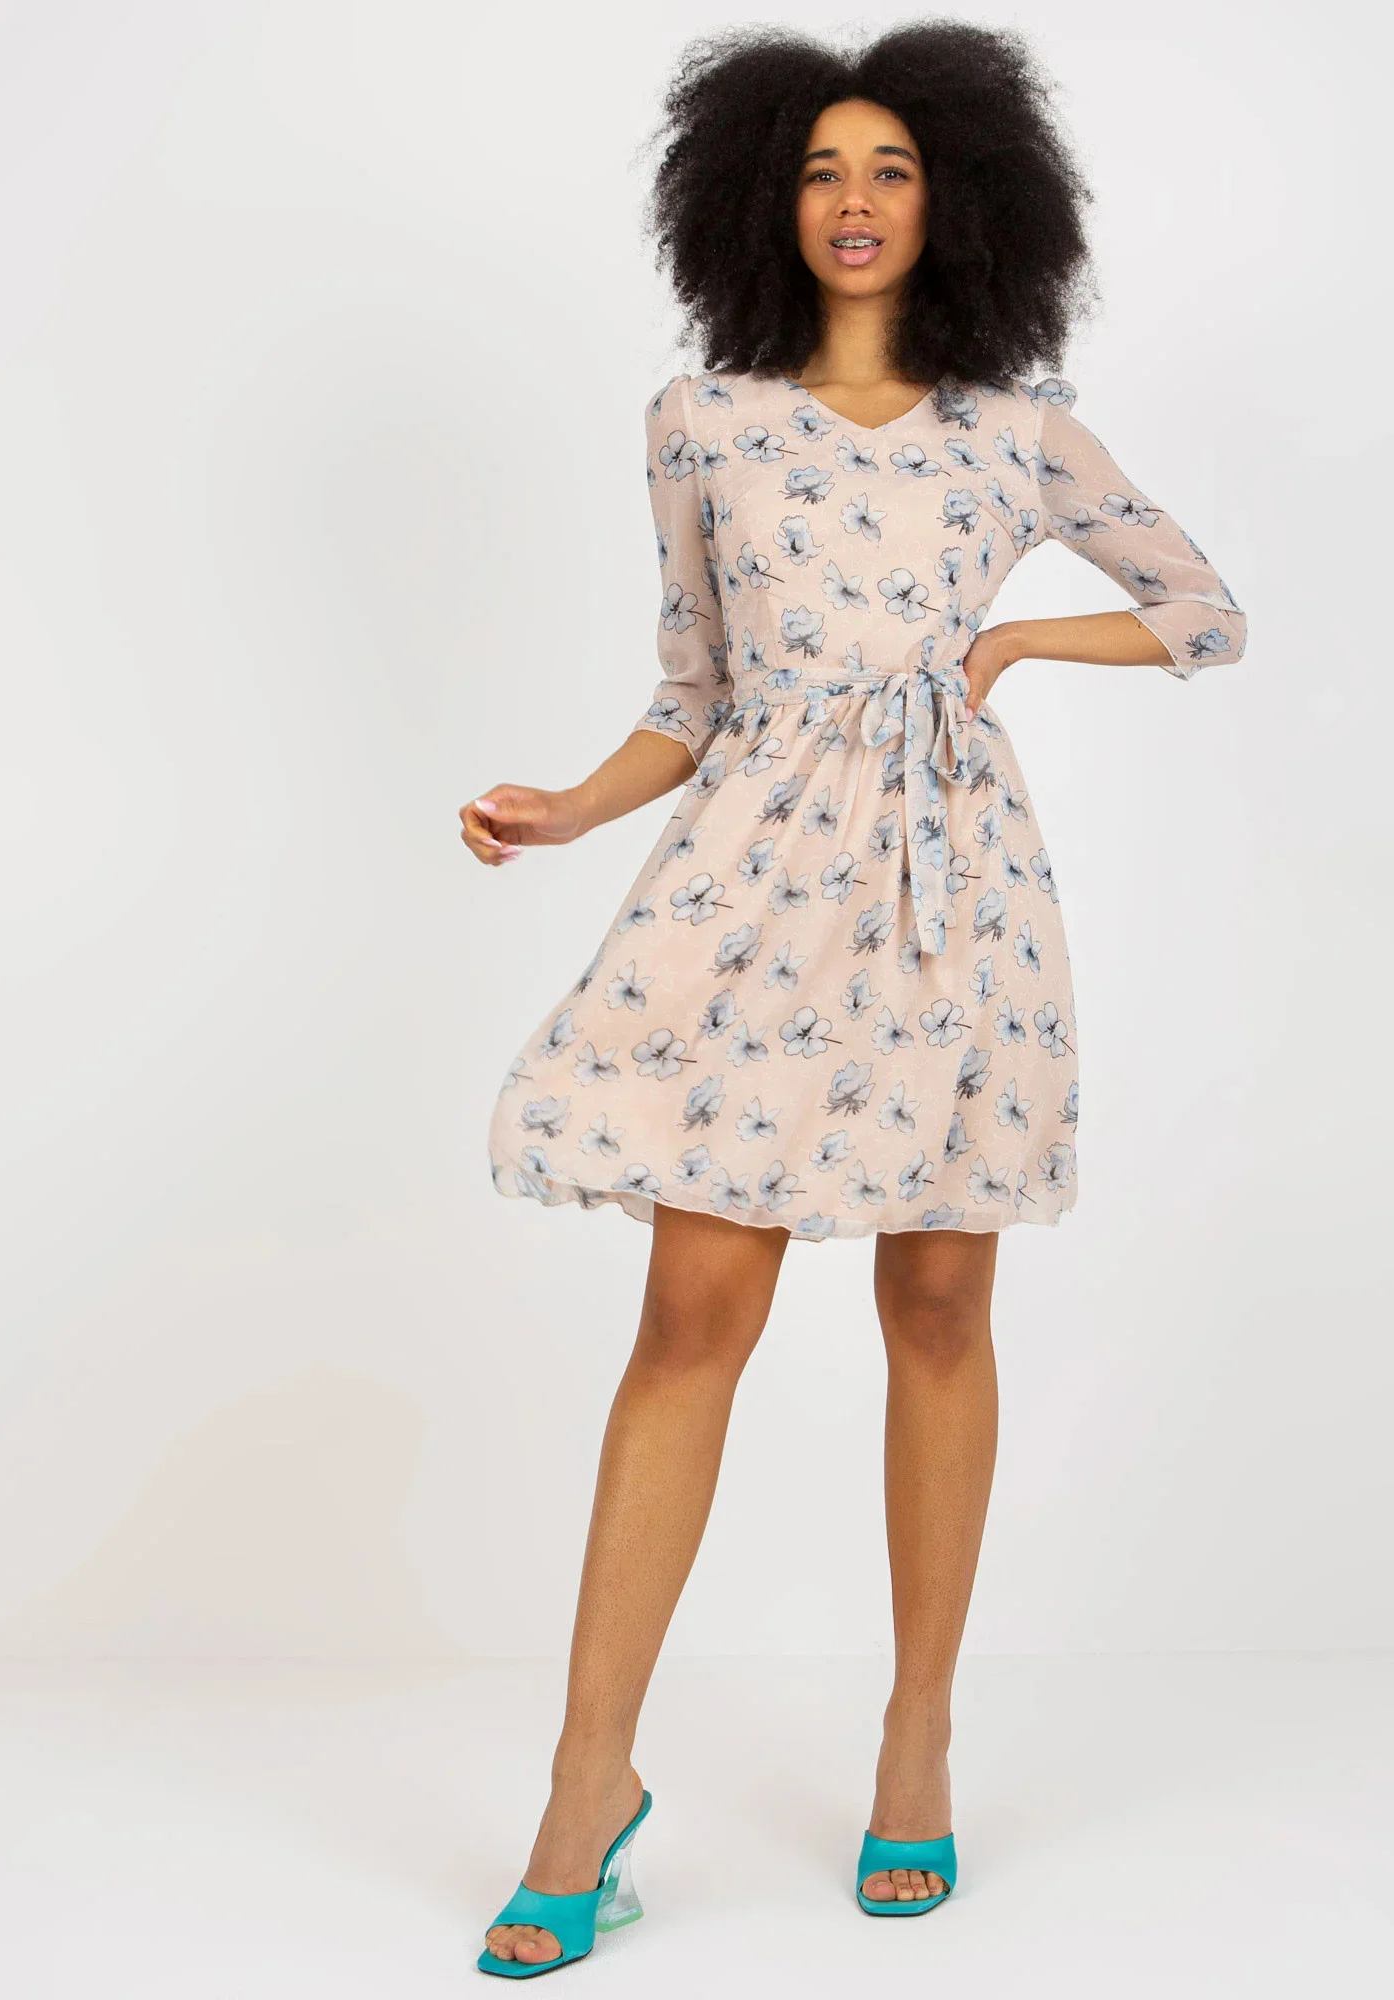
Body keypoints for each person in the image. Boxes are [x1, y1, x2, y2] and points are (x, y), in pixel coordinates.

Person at [460, 20, 1247, 1978]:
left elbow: (1204, 611)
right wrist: (569, 808)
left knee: (939, 1303)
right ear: (762, 201)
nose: (856, 200)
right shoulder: (702, 421)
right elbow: (691, 690)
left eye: (892, 167)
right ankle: (585, 1784)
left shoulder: (1018, 428)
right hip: (747, 888)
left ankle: (918, 1738)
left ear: (958, 197)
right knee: (692, 1310)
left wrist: (1010, 645)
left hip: (951, 894)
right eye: (821, 168)